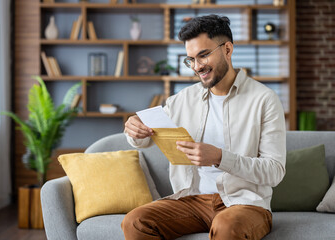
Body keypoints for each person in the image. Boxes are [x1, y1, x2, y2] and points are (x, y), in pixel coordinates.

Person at [122, 14, 286, 240]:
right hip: (192, 201)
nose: (197, 67)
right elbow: (145, 138)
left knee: (227, 226)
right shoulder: (181, 100)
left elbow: (274, 171)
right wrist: (134, 130)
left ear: (227, 49)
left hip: (244, 204)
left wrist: (220, 157)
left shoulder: (264, 100)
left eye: (203, 55)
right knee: (135, 221)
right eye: (190, 59)